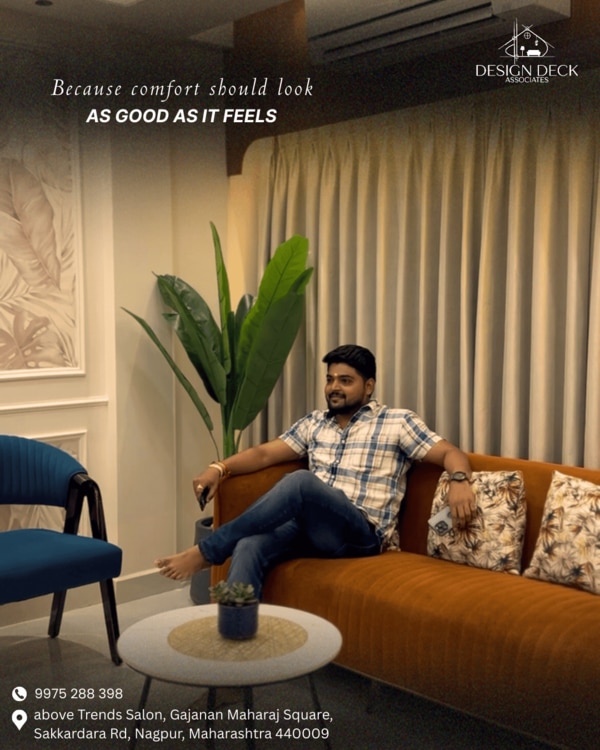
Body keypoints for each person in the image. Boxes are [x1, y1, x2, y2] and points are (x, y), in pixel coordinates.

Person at [155, 345, 476, 597]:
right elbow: (263, 454)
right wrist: (218, 468)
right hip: (311, 528)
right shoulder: (314, 423)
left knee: (301, 482)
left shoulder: (397, 422)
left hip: (360, 533)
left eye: (345, 381)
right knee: (249, 546)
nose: (334, 387)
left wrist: (459, 480)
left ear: (368, 386)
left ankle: (208, 552)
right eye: (330, 379)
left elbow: (450, 452)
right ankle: (234, 644)